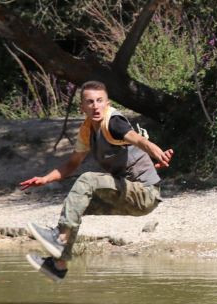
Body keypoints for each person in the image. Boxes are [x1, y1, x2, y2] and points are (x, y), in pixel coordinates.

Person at [19, 80, 173, 281]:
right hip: (127, 195)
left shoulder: (113, 123)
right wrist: (45, 179)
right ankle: (59, 264)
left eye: (100, 101)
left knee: (87, 180)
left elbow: (138, 139)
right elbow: (72, 163)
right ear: (82, 107)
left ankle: (60, 237)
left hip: (144, 194)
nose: (95, 106)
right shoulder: (87, 130)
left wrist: (156, 152)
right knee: (76, 204)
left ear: (107, 103)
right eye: (90, 102)